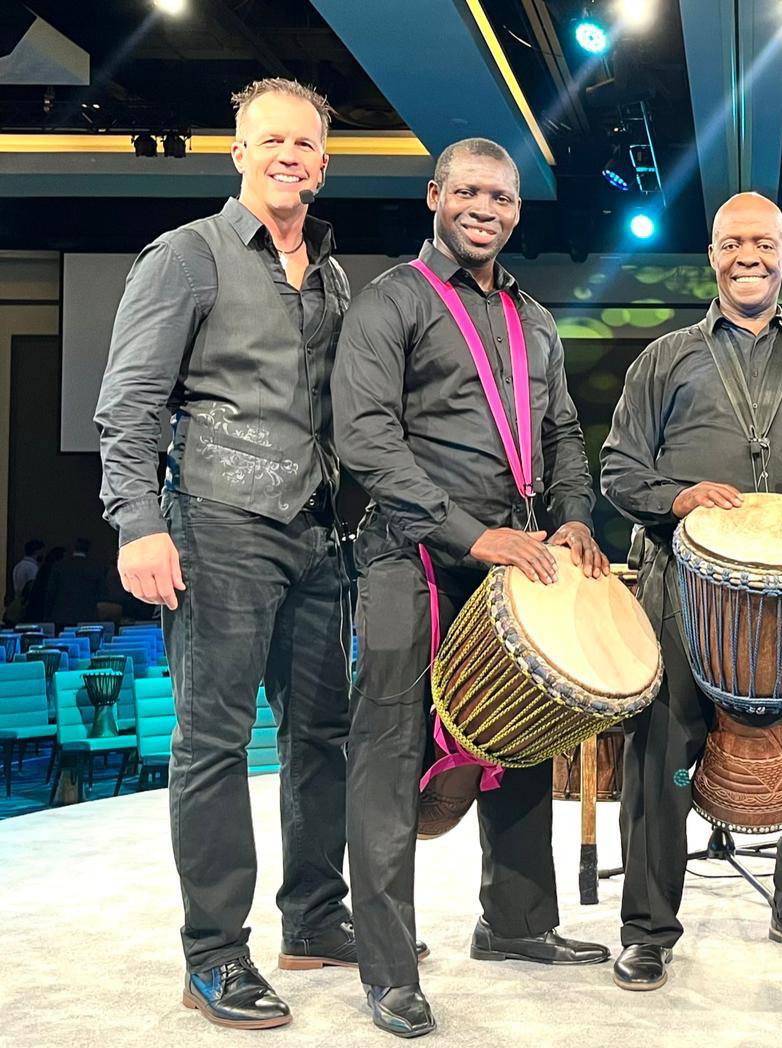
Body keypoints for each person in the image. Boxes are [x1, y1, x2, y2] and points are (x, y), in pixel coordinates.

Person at [93, 78, 358, 1030]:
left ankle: (316, 921)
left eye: (305, 146)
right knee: (212, 744)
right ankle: (214, 954)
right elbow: (128, 401)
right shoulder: (186, 257)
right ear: (237, 154)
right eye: (270, 142)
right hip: (215, 524)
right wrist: (136, 520)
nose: (289, 156)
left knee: (320, 737)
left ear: (323, 165)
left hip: (316, 537)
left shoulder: (329, 273)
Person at [333, 137, 610, 1038]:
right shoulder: (394, 301)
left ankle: (518, 923)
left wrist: (572, 516)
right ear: (435, 197)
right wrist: (468, 531)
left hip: (517, 546)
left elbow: (565, 430)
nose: (484, 207)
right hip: (410, 551)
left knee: (527, 727)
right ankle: (385, 966)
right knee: (387, 754)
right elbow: (366, 437)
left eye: (500, 195)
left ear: (517, 211)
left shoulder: (534, 317)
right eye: (468, 192)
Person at [600, 191, 782, 993]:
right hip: (687, 589)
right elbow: (619, 471)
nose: (749, 257)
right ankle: (648, 928)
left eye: (764, 243)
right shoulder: (662, 359)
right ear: (713, 255)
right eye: (733, 243)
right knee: (662, 751)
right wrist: (679, 497)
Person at [42, 538, 105, 627]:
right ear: (88, 550)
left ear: (73, 548)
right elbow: (101, 592)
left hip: (62, 615)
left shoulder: (59, 566)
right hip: (87, 615)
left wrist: (47, 616)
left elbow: (51, 592)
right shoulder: (95, 567)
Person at [9, 538, 43, 613]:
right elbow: (33, 587)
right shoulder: (32, 568)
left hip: (18, 602)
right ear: (37, 551)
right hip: (27, 605)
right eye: (41, 551)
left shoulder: (18, 566)